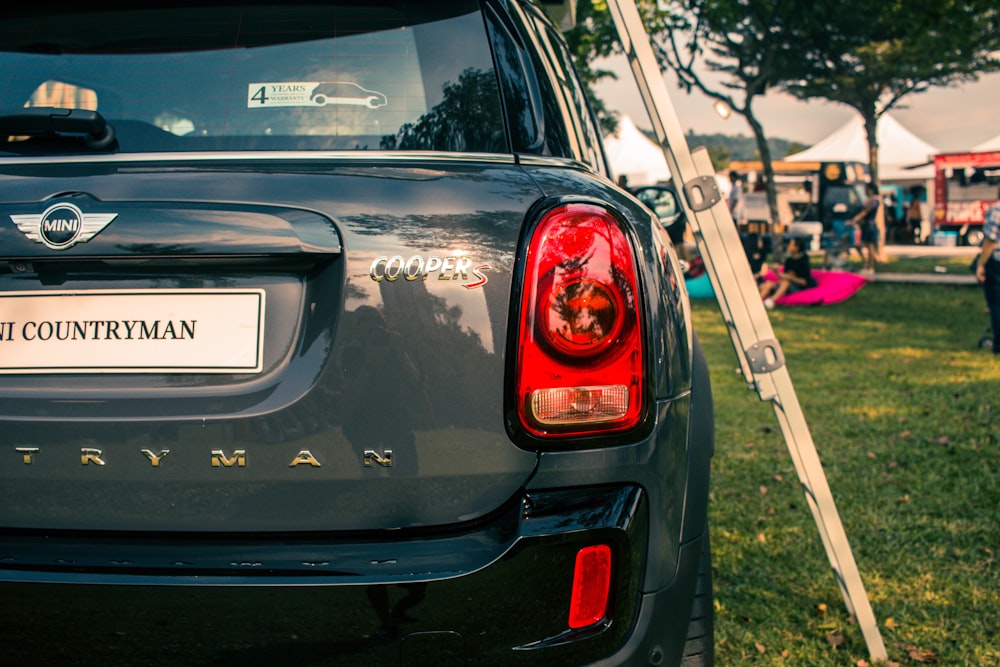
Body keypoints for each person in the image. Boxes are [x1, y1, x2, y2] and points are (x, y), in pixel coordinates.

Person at [974, 187, 1000, 355]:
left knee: (997, 305)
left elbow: (990, 240)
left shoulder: (996, 210)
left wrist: (981, 264)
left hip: (997, 263)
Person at [759, 236, 816, 309]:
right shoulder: (789, 261)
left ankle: (771, 301)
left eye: (791, 244)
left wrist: (790, 277)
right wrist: (776, 272)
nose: (788, 246)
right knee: (768, 284)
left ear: (797, 247)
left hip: (796, 287)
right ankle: (758, 302)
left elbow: (804, 282)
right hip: (784, 285)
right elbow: (783, 277)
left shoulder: (803, 262)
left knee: (786, 282)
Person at [851, 183, 880, 274]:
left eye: (867, 189)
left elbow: (865, 212)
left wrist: (855, 219)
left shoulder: (874, 200)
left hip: (869, 224)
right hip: (866, 224)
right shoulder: (869, 200)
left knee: (870, 245)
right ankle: (867, 265)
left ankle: (870, 267)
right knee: (863, 245)